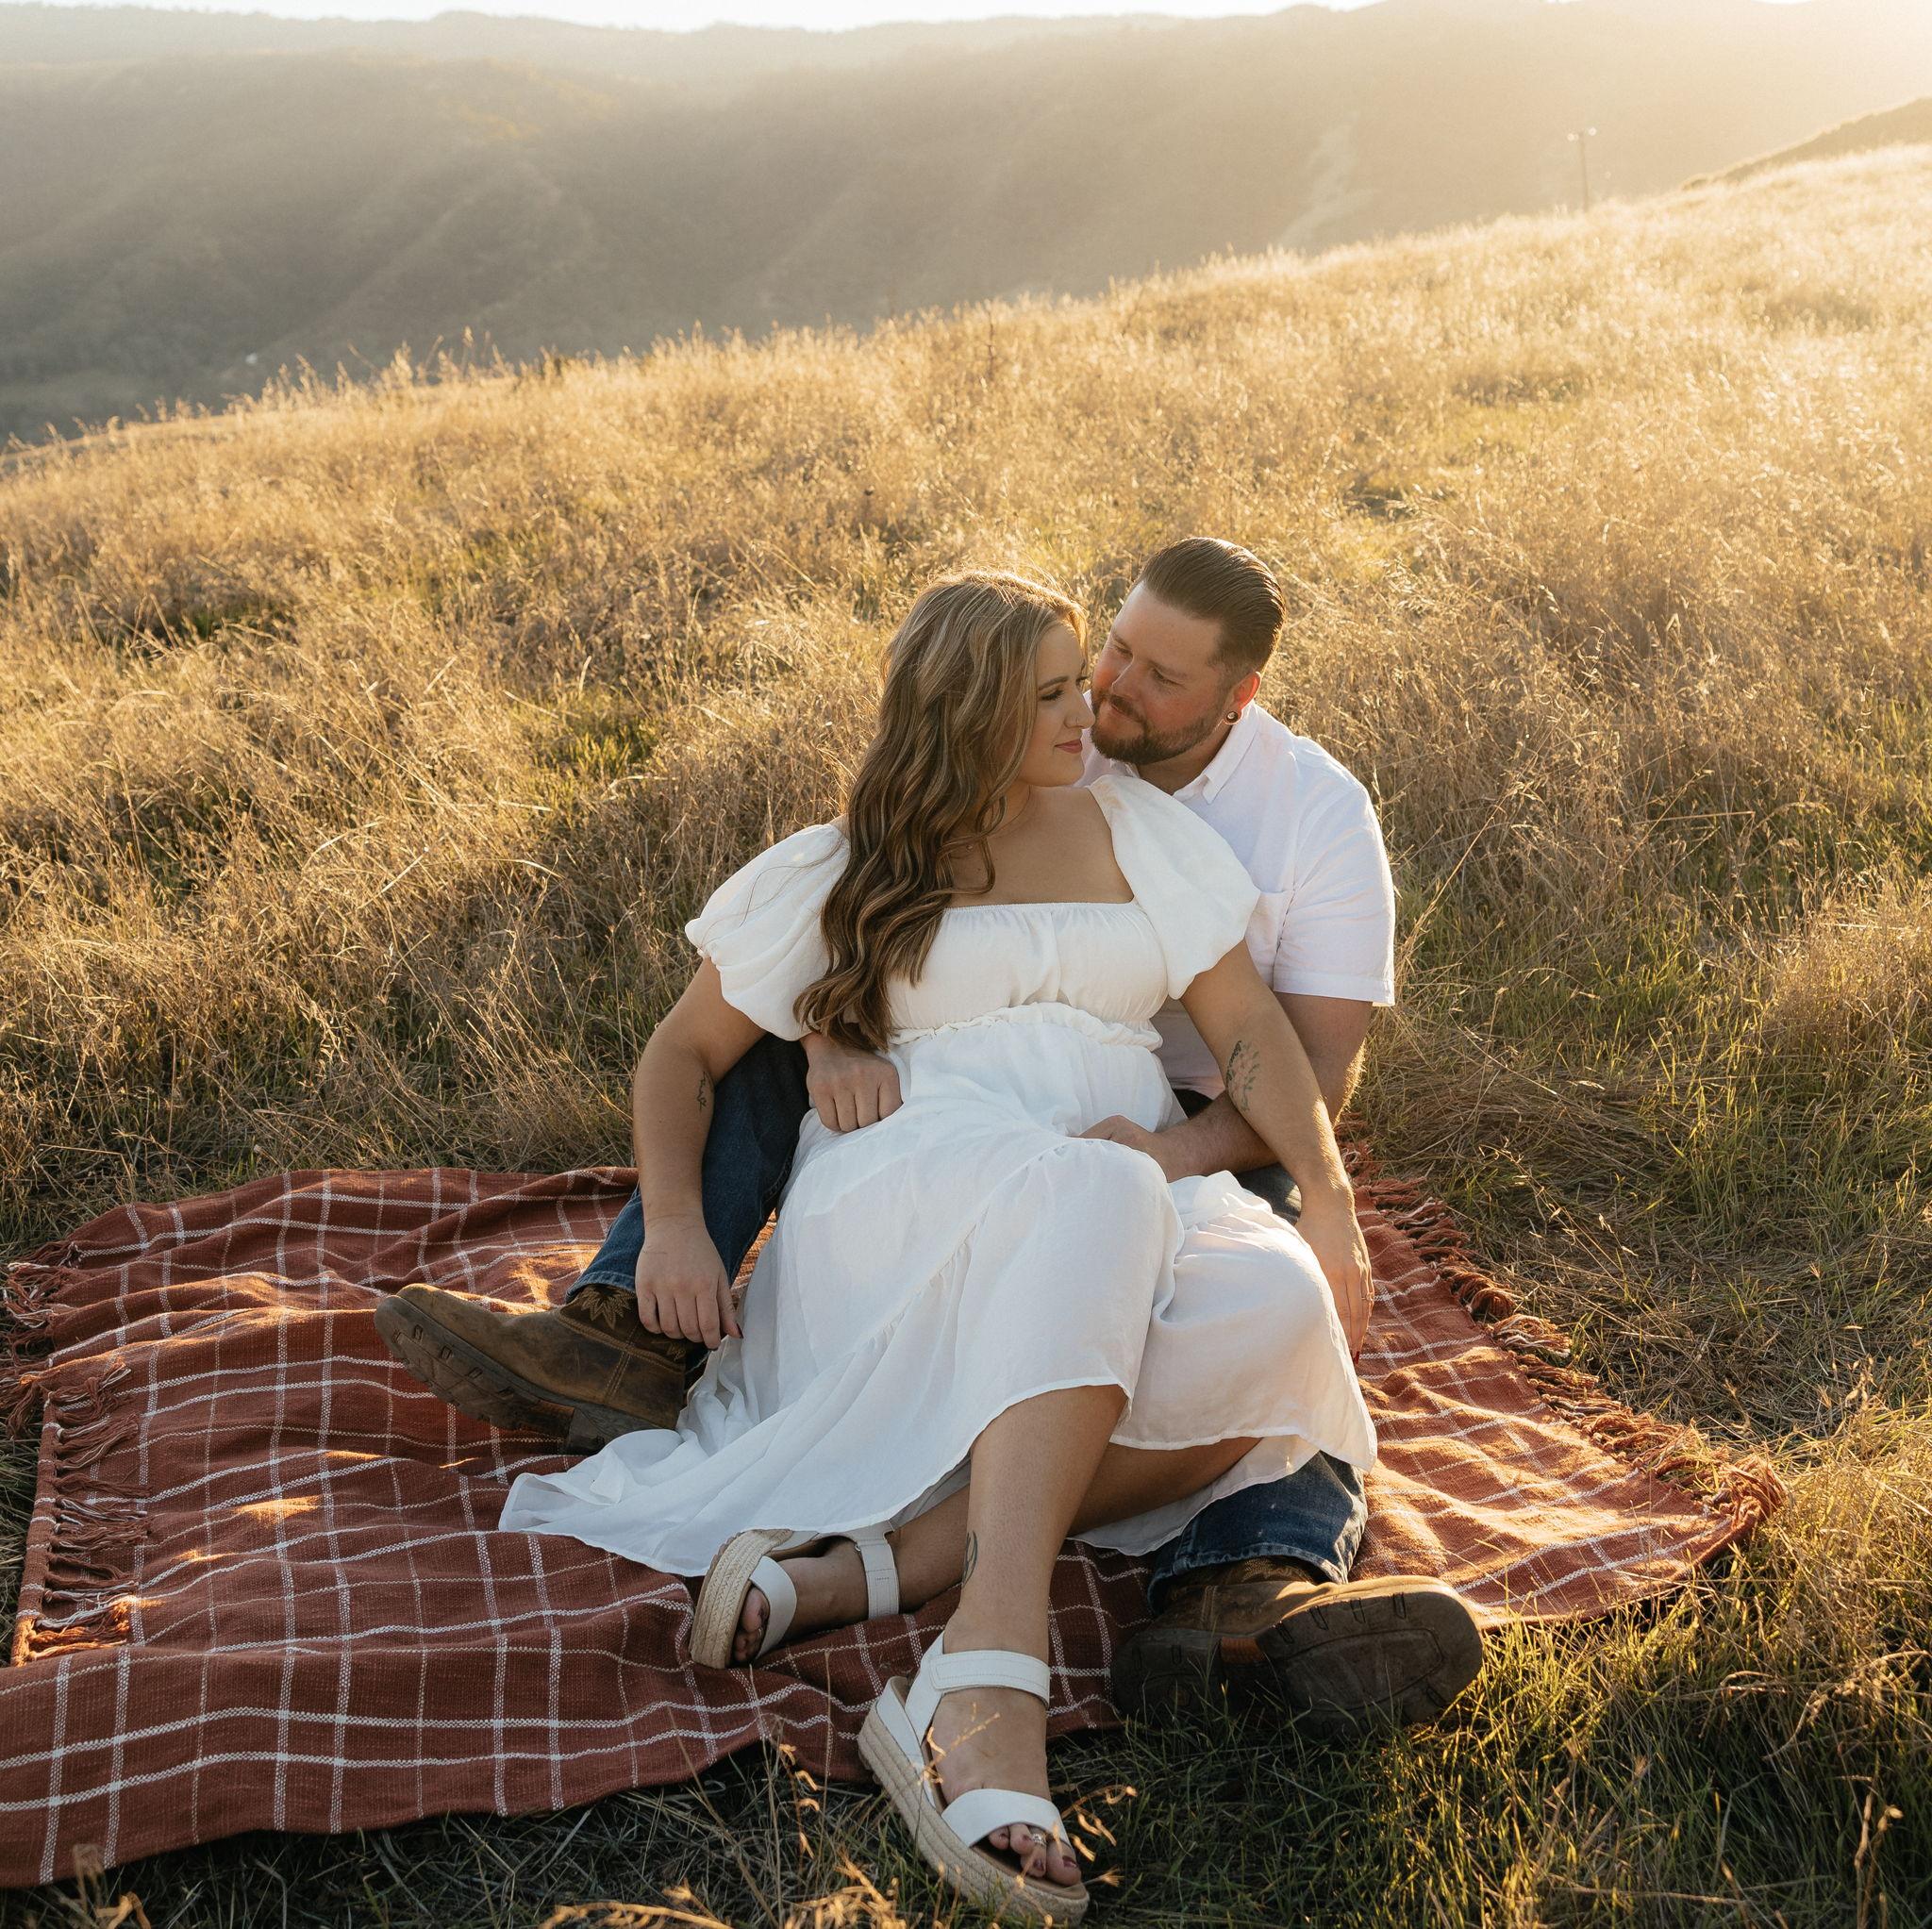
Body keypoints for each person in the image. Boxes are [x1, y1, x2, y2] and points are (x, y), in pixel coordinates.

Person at [380, 568, 1391, 1921]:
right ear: (968, 714)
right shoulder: (850, 860)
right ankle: (985, 1671)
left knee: (1276, 1310)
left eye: (1078, 678)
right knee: (1094, 1192)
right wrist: (675, 1226)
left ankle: (869, 1569)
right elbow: (686, 1051)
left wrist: (1324, 1202)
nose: (1084, 707)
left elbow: (1255, 1033)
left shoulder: (1138, 831)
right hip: (915, 1179)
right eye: (1047, 694)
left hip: (1120, 1176)